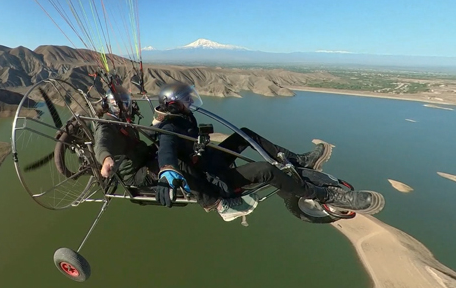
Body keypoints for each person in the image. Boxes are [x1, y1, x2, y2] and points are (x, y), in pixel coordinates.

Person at [151, 81, 383, 220]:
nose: (191, 101)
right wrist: (167, 171)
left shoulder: (182, 117)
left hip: (207, 161)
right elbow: (166, 147)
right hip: (213, 180)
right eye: (187, 99)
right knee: (265, 170)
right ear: (174, 103)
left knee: (245, 134)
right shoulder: (170, 125)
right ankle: (326, 196)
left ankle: (298, 160)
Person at [94, 83, 158, 187]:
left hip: (141, 159)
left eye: (126, 104)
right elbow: (101, 143)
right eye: (119, 105)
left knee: (167, 147)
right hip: (131, 174)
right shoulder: (106, 125)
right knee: (167, 167)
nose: (124, 108)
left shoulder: (122, 122)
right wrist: (106, 159)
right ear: (109, 105)